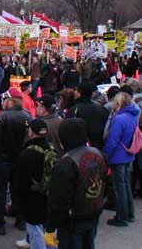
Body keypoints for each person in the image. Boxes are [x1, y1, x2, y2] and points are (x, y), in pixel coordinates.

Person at [45, 118, 107, 249]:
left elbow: (59, 200)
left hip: (73, 221)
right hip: (94, 211)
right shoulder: (99, 154)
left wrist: (50, 227)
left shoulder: (66, 163)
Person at [0, 88, 32, 235]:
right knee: (18, 191)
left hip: (3, 160)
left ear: (10, 101)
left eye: (4, 99)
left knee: (0, 193)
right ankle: (20, 220)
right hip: (21, 160)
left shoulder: (0, 118)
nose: (1, 102)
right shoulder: (27, 116)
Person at [103, 92, 138, 226]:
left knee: (119, 188)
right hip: (129, 155)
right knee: (126, 185)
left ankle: (122, 216)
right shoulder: (133, 116)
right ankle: (129, 213)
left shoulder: (119, 119)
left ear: (119, 103)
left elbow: (112, 140)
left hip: (118, 156)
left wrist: (105, 155)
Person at [16, 119, 51, 249]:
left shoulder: (29, 152)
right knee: (49, 230)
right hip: (48, 194)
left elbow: (22, 180)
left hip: (33, 197)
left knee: (35, 231)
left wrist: (19, 199)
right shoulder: (49, 147)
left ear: (31, 132)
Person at [66, 81, 109, 149]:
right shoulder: (101, 109)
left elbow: (69, 132)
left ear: (79, 93)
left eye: (76, 90)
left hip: (82, 149)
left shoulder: (74, 110)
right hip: (101, 148)